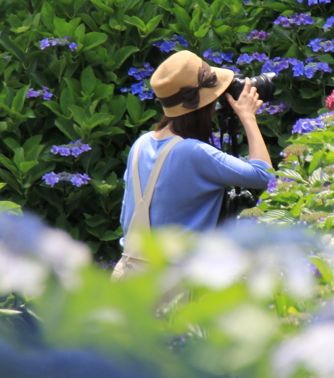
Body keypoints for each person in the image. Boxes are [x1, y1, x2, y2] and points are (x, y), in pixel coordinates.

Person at [114, 50, 273, 279]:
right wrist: (248, 117)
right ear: (204, 106)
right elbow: (265, 175)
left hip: (128, 275)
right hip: (171, 284)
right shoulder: (193, 152)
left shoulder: (141, 144)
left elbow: (126, 217)